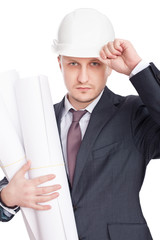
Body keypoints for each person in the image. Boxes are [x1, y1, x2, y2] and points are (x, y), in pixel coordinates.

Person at [0, 8, 160, 240]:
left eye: (94, 64)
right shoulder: (37, 121)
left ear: (109, 67)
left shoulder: (134, 114)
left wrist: (138, 68)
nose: (83, 77)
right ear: (60, 63)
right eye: (74, 64)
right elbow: (13, 183)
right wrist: (7, 197)